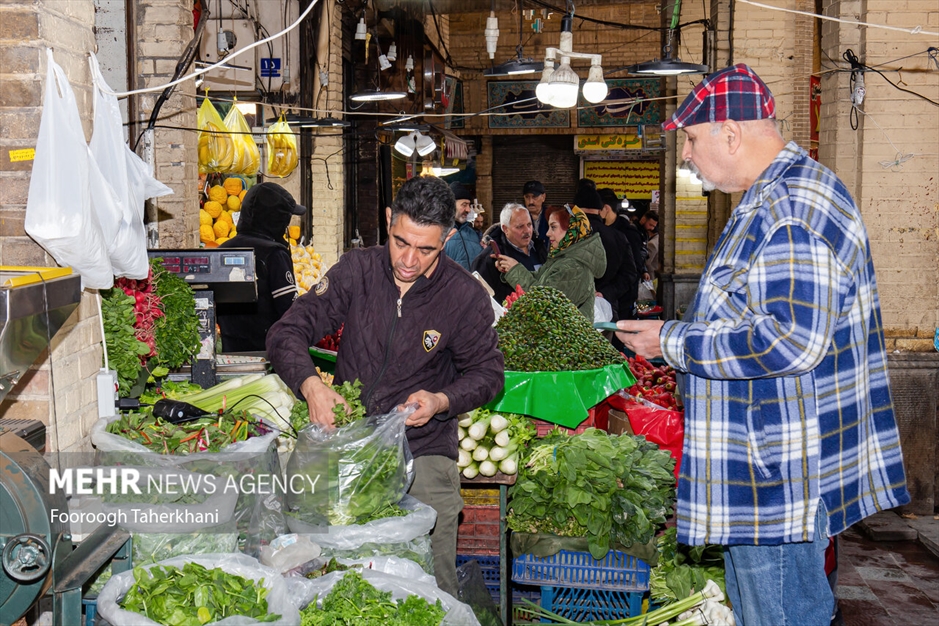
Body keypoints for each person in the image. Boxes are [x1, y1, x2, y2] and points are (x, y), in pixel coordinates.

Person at [614, 64, 909, 626]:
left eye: (692, 140)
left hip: (777, 475)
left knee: (781, 615)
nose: (686, 155)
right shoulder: (773, 196)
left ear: (730, 133)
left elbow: (790, 342)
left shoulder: (791, 208)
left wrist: (672, 340)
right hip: (770, 461)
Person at [266, 176, 505, 597]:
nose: (409, 260)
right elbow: (286, 331)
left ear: (448, 238)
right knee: (342, 579)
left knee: (432, 582)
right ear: (389, 220)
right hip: (349, 446)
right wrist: (311, 387)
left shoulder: (463, 296)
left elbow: (488, 375)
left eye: (426, 249)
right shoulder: (357, 270)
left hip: (424, 449)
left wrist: (441, 399)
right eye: (401, 242)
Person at [215, 182, 305, 352]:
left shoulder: (221, 251)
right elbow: (289, 311)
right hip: (269, 351)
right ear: (277, 219)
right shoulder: (274, 254)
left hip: (230, 351)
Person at [495, 205, 605, 320]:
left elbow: (545, 304)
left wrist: (515, 270)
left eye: (553, 227)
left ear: (571, 229)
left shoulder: (573, 267)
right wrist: (509, 269)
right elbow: (540, 280)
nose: (547, 233)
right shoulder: (562, 259)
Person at [572, 179, 636, 321]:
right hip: (607, 309)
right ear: (600, 210)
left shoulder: (566, 235)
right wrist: (605, 293)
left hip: (573, 311)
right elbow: (629, 274)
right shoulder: (618, 237)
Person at [471, 202, 548, 304]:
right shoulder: (488, 259)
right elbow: (479, 300)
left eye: (529, 224)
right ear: (505, 229)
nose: (527, 231)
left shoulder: (540, 249)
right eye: (520, 227)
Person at [599, 187, 643, 319]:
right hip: (603, 301)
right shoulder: (600, 232)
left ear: (606, 209)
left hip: (622, 303)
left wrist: (609, 292)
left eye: (597, 209)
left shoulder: (628, 233)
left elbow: (634, 271)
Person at [442, 182, 480, 271]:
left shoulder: (472, 234)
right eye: (464, 205)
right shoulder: (439, 232)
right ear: (451, 205)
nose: (468, 210)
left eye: (469, 205)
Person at [522, 180, 549, 247]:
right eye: (527, 197)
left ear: (543, 197)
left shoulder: (550, 216)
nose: (531, 202)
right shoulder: (518, 217)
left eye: (534, 197)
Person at [638, 209, 659, 282]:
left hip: (649, 276)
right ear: (644, 219)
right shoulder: (636, 233)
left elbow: (646, 261)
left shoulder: (651, 242)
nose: (652, 228)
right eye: (650, 225)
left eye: (653, 226)